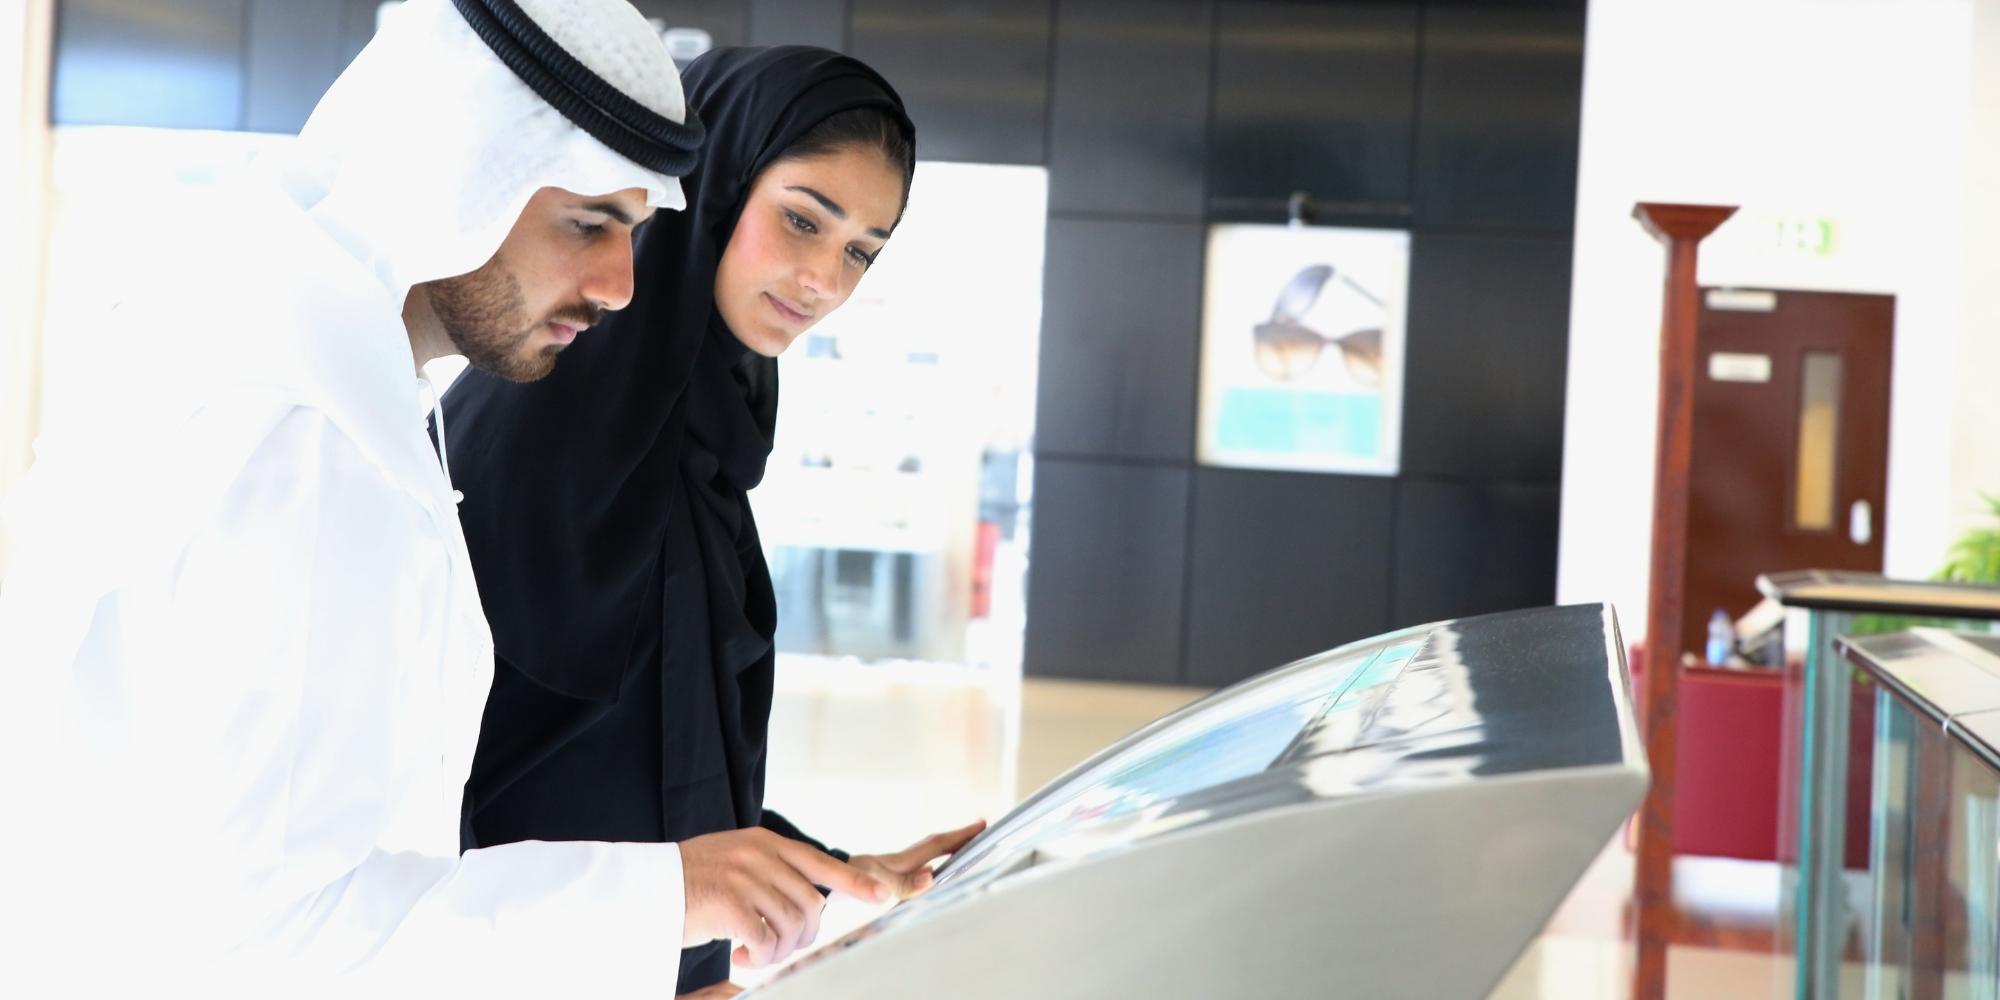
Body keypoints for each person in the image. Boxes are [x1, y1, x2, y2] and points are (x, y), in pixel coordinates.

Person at [0, 3, 884, 993]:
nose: (618, 283)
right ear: (453, 173)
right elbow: (271, 935)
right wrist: (663, 897)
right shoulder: (304, 440)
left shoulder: (314, 363)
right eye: (588, 223)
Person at [441, 46, 984, 994]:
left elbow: (643, 751)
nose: (822, 278)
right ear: (714, 183)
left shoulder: (695, 438)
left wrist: (824, 867)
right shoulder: (550, 423)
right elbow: (464, 790)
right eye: (802, 219)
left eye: (860, 249)